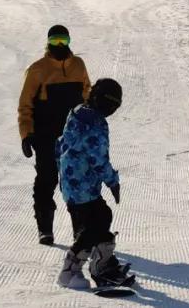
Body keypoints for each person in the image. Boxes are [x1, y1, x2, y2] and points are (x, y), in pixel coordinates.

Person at [56, 78, 135, 290]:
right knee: (90, 229)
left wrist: (62, 171)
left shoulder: (78, 112)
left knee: (102, 217)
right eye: (112, 107)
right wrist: (113, 181)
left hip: (77, 185)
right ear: (101, 101)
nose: (112, 112)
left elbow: (60, 144)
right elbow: (98, 158)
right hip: (81, 188)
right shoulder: (95, 123)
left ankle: (104, 265)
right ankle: (69, 272)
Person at [18, 25, 91, 245]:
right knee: (46, 180)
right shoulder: (37, 69)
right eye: (55, 41)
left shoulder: (78, 65)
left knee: (76, 182)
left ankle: (81, 230)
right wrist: (26, 134)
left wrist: (91, 123)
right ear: (48, 43)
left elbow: (87, 93)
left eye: (64, 41)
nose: (59, 46)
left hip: (73, 136)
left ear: (69, 42)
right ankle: (45, 229)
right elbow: (25, 104)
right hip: (46, 135)